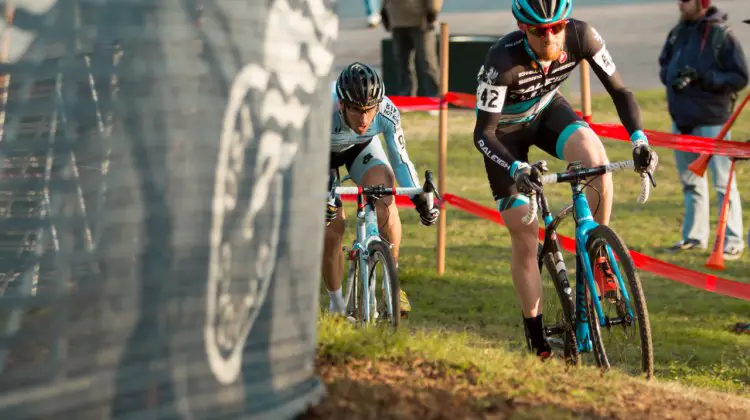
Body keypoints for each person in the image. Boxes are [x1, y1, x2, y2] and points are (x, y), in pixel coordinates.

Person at [471, 0, 658, 359]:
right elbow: (483, 135)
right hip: (505, 137)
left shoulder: (582, 35)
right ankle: (537, 336)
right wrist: (516, 169)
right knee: (525, 236)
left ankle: (599, 254)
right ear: (523, 28)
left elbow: (621, 91)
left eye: (557, 27)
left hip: (546, 113)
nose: (551, 36)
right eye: (541, 31)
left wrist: (639, 140)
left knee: (595, 157)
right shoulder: (501, 62)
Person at [323, 62, 440, 318]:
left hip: (361, 149)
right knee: (333, 229)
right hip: (320, 155)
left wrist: (419, 193)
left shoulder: (387, 111)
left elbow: (400, 159)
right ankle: (336, 302)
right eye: (355, 110)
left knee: (386, 194)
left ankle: (391, 282)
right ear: (342, 104)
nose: (364, 119)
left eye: (369, 110)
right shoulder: (320, 111)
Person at [658, 0, 748, 259]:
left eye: (686, 1)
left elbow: (740, 77)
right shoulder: (678, 32)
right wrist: (672, 77)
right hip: (681, 120)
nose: (680, 5)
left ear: (702, 3)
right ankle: (694, 237)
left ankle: (732, 240)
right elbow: (664, 63)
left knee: (723, 184)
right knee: (690, 183)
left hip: (712, 122)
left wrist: (704, 78)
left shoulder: (722, 35)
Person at [380, 0, 441, 110]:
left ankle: (434, 99)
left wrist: (433, 10)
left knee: (427, 62)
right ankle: (406, 99)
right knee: (402, 63)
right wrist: (383, 9)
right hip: (397, 19)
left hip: (421, 20)